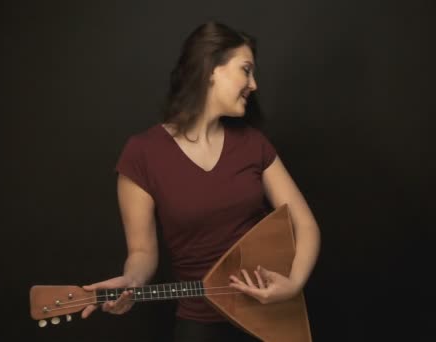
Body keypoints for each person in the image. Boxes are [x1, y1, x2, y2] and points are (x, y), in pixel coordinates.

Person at [80, 20, 321, 341]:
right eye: (246, 70)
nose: (254, 84)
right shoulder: (142, 154)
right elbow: (141, 251)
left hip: (271, 319)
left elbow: (305, 224)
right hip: (200, 327)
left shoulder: (253, 143)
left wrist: (293, 284)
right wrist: (132, 283)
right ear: (211, 69)